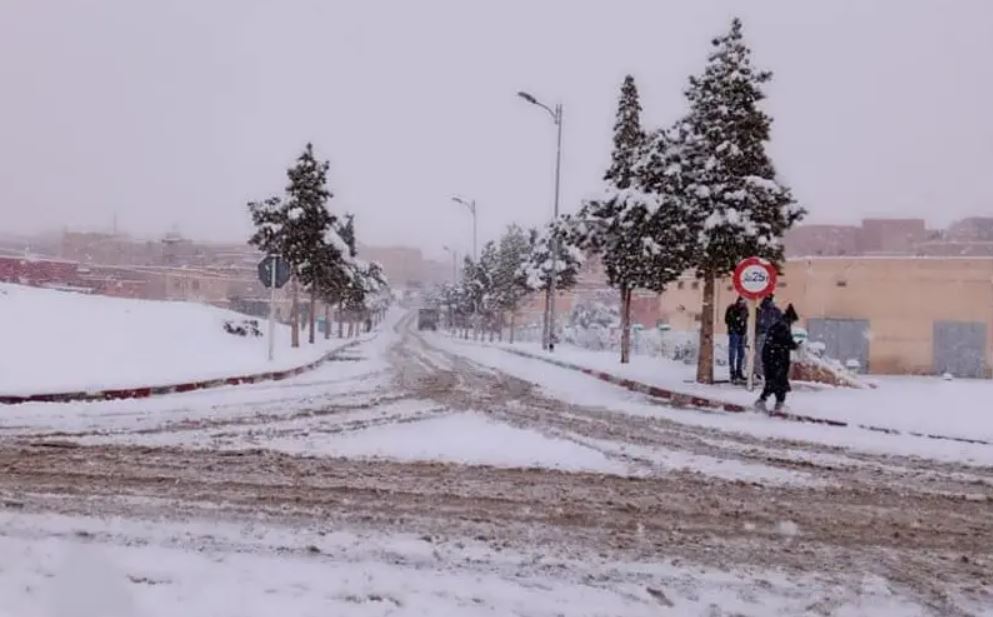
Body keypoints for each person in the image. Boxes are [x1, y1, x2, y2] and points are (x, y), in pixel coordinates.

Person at [755, 303, 800, 412]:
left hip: (773, 359)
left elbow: (780, 341)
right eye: (793, 322)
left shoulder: (779, 325)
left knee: (775, 383)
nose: (792, 324)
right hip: (775, 360)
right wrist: (795, 345)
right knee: (777, 383)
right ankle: (773, 403)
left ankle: (772, 402)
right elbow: (785, 341)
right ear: (790, 319)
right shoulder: (783, 326)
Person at [754, 295, 783, 379]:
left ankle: (760, 372)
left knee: (761, 354)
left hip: (763, 334)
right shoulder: (775, 311)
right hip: (768, 334)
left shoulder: (760, 311)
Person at [724, 297, 748, 383]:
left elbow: (745, 321)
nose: (743, 304)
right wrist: (736, 322)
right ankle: (732, 372)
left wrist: (744, 330)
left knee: (741, 354)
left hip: (741, 333)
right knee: (733, 353)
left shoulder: (745, 310)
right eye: (742, 302)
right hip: (734, 332)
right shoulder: (732, 308)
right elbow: (727, 320)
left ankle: (739, 372)